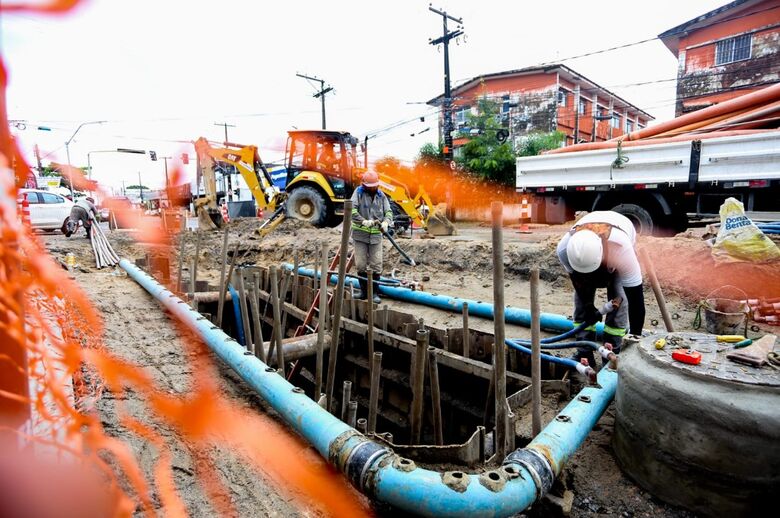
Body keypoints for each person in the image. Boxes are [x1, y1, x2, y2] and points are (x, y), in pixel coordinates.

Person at [556, 210, 645, 368]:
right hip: (588, 258)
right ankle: (584, 351)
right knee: (581, 306)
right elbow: (577, 283)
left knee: (620, 300)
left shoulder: (621, 251)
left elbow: (637, 302)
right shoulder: (565, 249)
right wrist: (589, 306)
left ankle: (613, 351)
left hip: (619, 233)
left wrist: (634, 339)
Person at [350, 171, 393, 304]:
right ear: (365, 184)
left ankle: (374, 293)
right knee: (361, 264)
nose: (373, 188)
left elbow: (389, 211)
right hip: (360, 235)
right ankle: (364, 292)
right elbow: (351, 210)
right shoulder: (358, 193)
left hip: (376, 236)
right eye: (371, 186)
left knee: (376, 264)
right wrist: (362, 221)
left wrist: (386, 222)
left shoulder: (381, 196)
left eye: (375, 185)